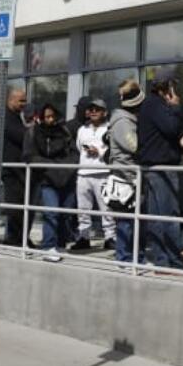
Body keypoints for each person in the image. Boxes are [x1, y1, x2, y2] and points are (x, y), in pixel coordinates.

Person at [137, 74, 183, 268]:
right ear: (166, 89)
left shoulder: (150, 105)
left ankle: (163, 260)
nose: (175, 92)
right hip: (162, 166)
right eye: (173, 88)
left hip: (154, 166)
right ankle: (174, 260)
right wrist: (176, 108)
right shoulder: (156, 105)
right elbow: (171, 128)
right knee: (169, 215)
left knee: (157, 216)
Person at [24, 103, 77, 261]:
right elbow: (29, 155)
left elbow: (74, 153)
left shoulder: (64, 131)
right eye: (47, 116)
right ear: (41, 117)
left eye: (53, 116)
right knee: (51, 212)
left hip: (66, 177)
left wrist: (67, 167)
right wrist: (50, 166)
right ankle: (48, 246)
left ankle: (60, 243)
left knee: (65, 212)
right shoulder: (33, 132)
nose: (51, 119)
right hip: (46, 178)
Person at [71, 99, 117, 252]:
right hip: (83, 172)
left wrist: (100, 152)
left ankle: (110, 237)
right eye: (91, 109)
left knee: (106, 208)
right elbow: (79, 147)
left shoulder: (110, 128)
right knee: (83, 208)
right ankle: (84, 237)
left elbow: (114, 150)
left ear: (105, 112)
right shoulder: (82, 129)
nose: (94, 112)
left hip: (103, 172)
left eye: (97, 109)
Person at [109, 80, 144, 265]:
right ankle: (123, 257)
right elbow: (133, 146)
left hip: (131, 175)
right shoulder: (123, 121)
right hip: (125, 177)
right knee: (126, 221)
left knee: (133, 221)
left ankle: (134, 256)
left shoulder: (125, 118)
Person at [1, 87, 28, 245]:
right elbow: (20, 135)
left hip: (17, 167)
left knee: (19, 204)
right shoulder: (7, 117)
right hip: (12, 168)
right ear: (11, 100)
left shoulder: (16, 116)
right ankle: (14, 238)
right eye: (21, 101)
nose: (24, 104)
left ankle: (16, 237)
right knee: (15, 204)